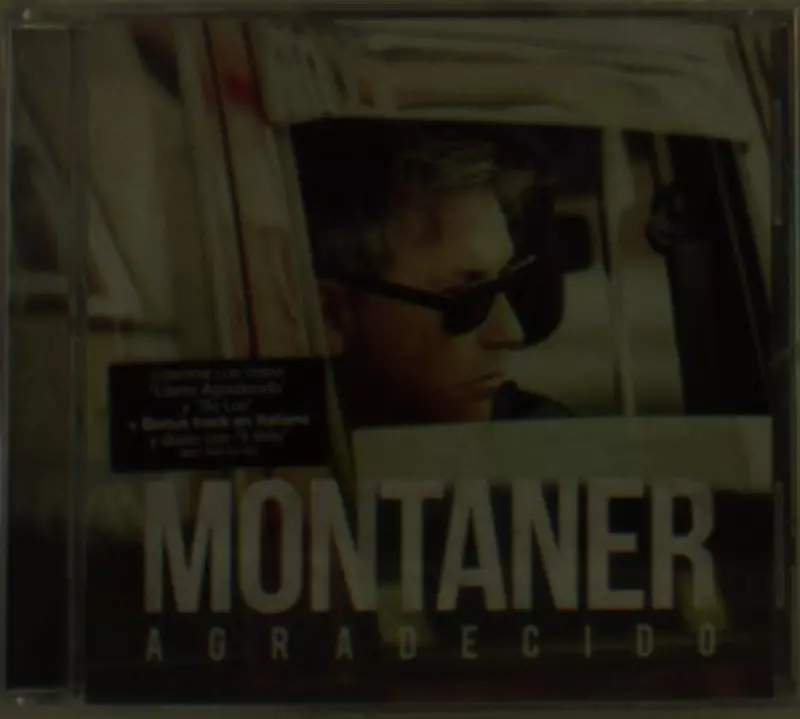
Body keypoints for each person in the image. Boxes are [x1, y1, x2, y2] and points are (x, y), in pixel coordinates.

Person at [290, 118, 570, 427]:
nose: (511, 332)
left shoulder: (547, 435)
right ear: (329, 315)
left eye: (509, 283)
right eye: (468, 298)